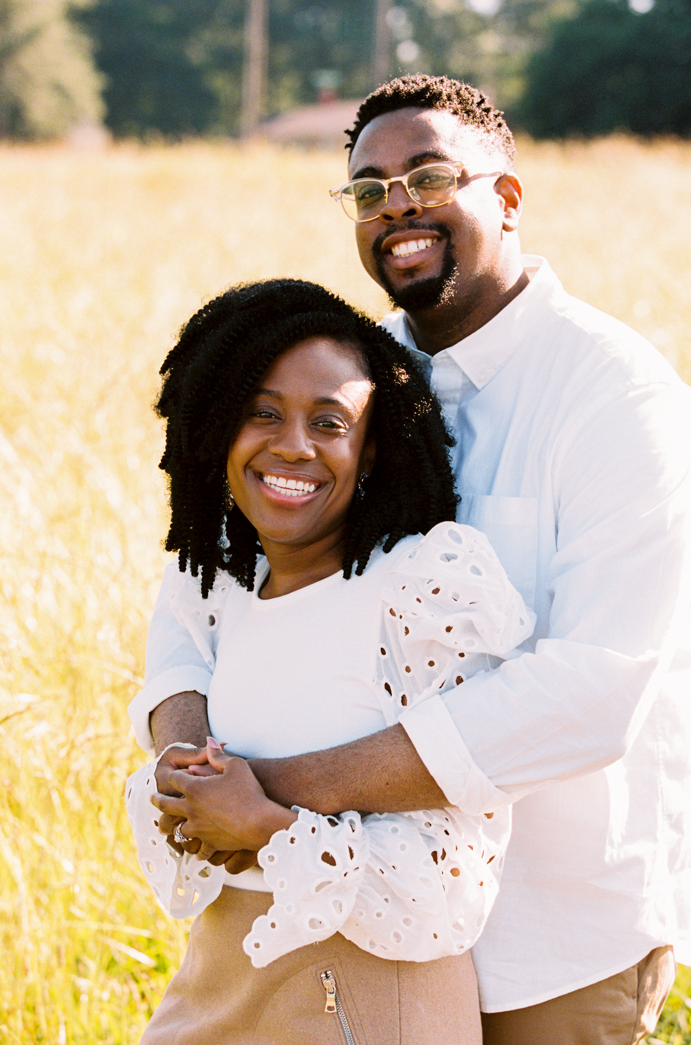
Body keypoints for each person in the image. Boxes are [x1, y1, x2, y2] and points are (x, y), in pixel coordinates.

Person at [130, 76, 691, 1044]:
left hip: (550, 939)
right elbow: (200, 590)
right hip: (352, 936)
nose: (398, 204)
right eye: (368, 187)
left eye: (429, 175)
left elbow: (592, 692)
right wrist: (189, 761)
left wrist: (271, 793)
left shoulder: (616, 395)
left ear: (506, 197)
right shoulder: (347, 380)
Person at [126, 278, 534, 1044]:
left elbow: (451, 883)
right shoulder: (222, 573)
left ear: (370, 445)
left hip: (368, 995)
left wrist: (269, 822)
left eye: (329, 421)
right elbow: (174, 661)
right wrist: (182, 775)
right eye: (263, 411)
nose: (292, 445)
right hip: (220, 972)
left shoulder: (422, 586)